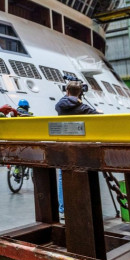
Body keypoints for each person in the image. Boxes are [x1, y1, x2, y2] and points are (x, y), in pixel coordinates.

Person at [54, 80, 100, 217]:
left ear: (67, 91)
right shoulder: (83, 108)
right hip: (81, 146)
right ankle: (85, 204)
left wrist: (69, 95)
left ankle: (63, 207)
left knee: (63, 176)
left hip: (64, 144)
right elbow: (97, 116)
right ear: (80, 92)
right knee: (85, 173)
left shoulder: (60, 106)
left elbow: (61, 103)